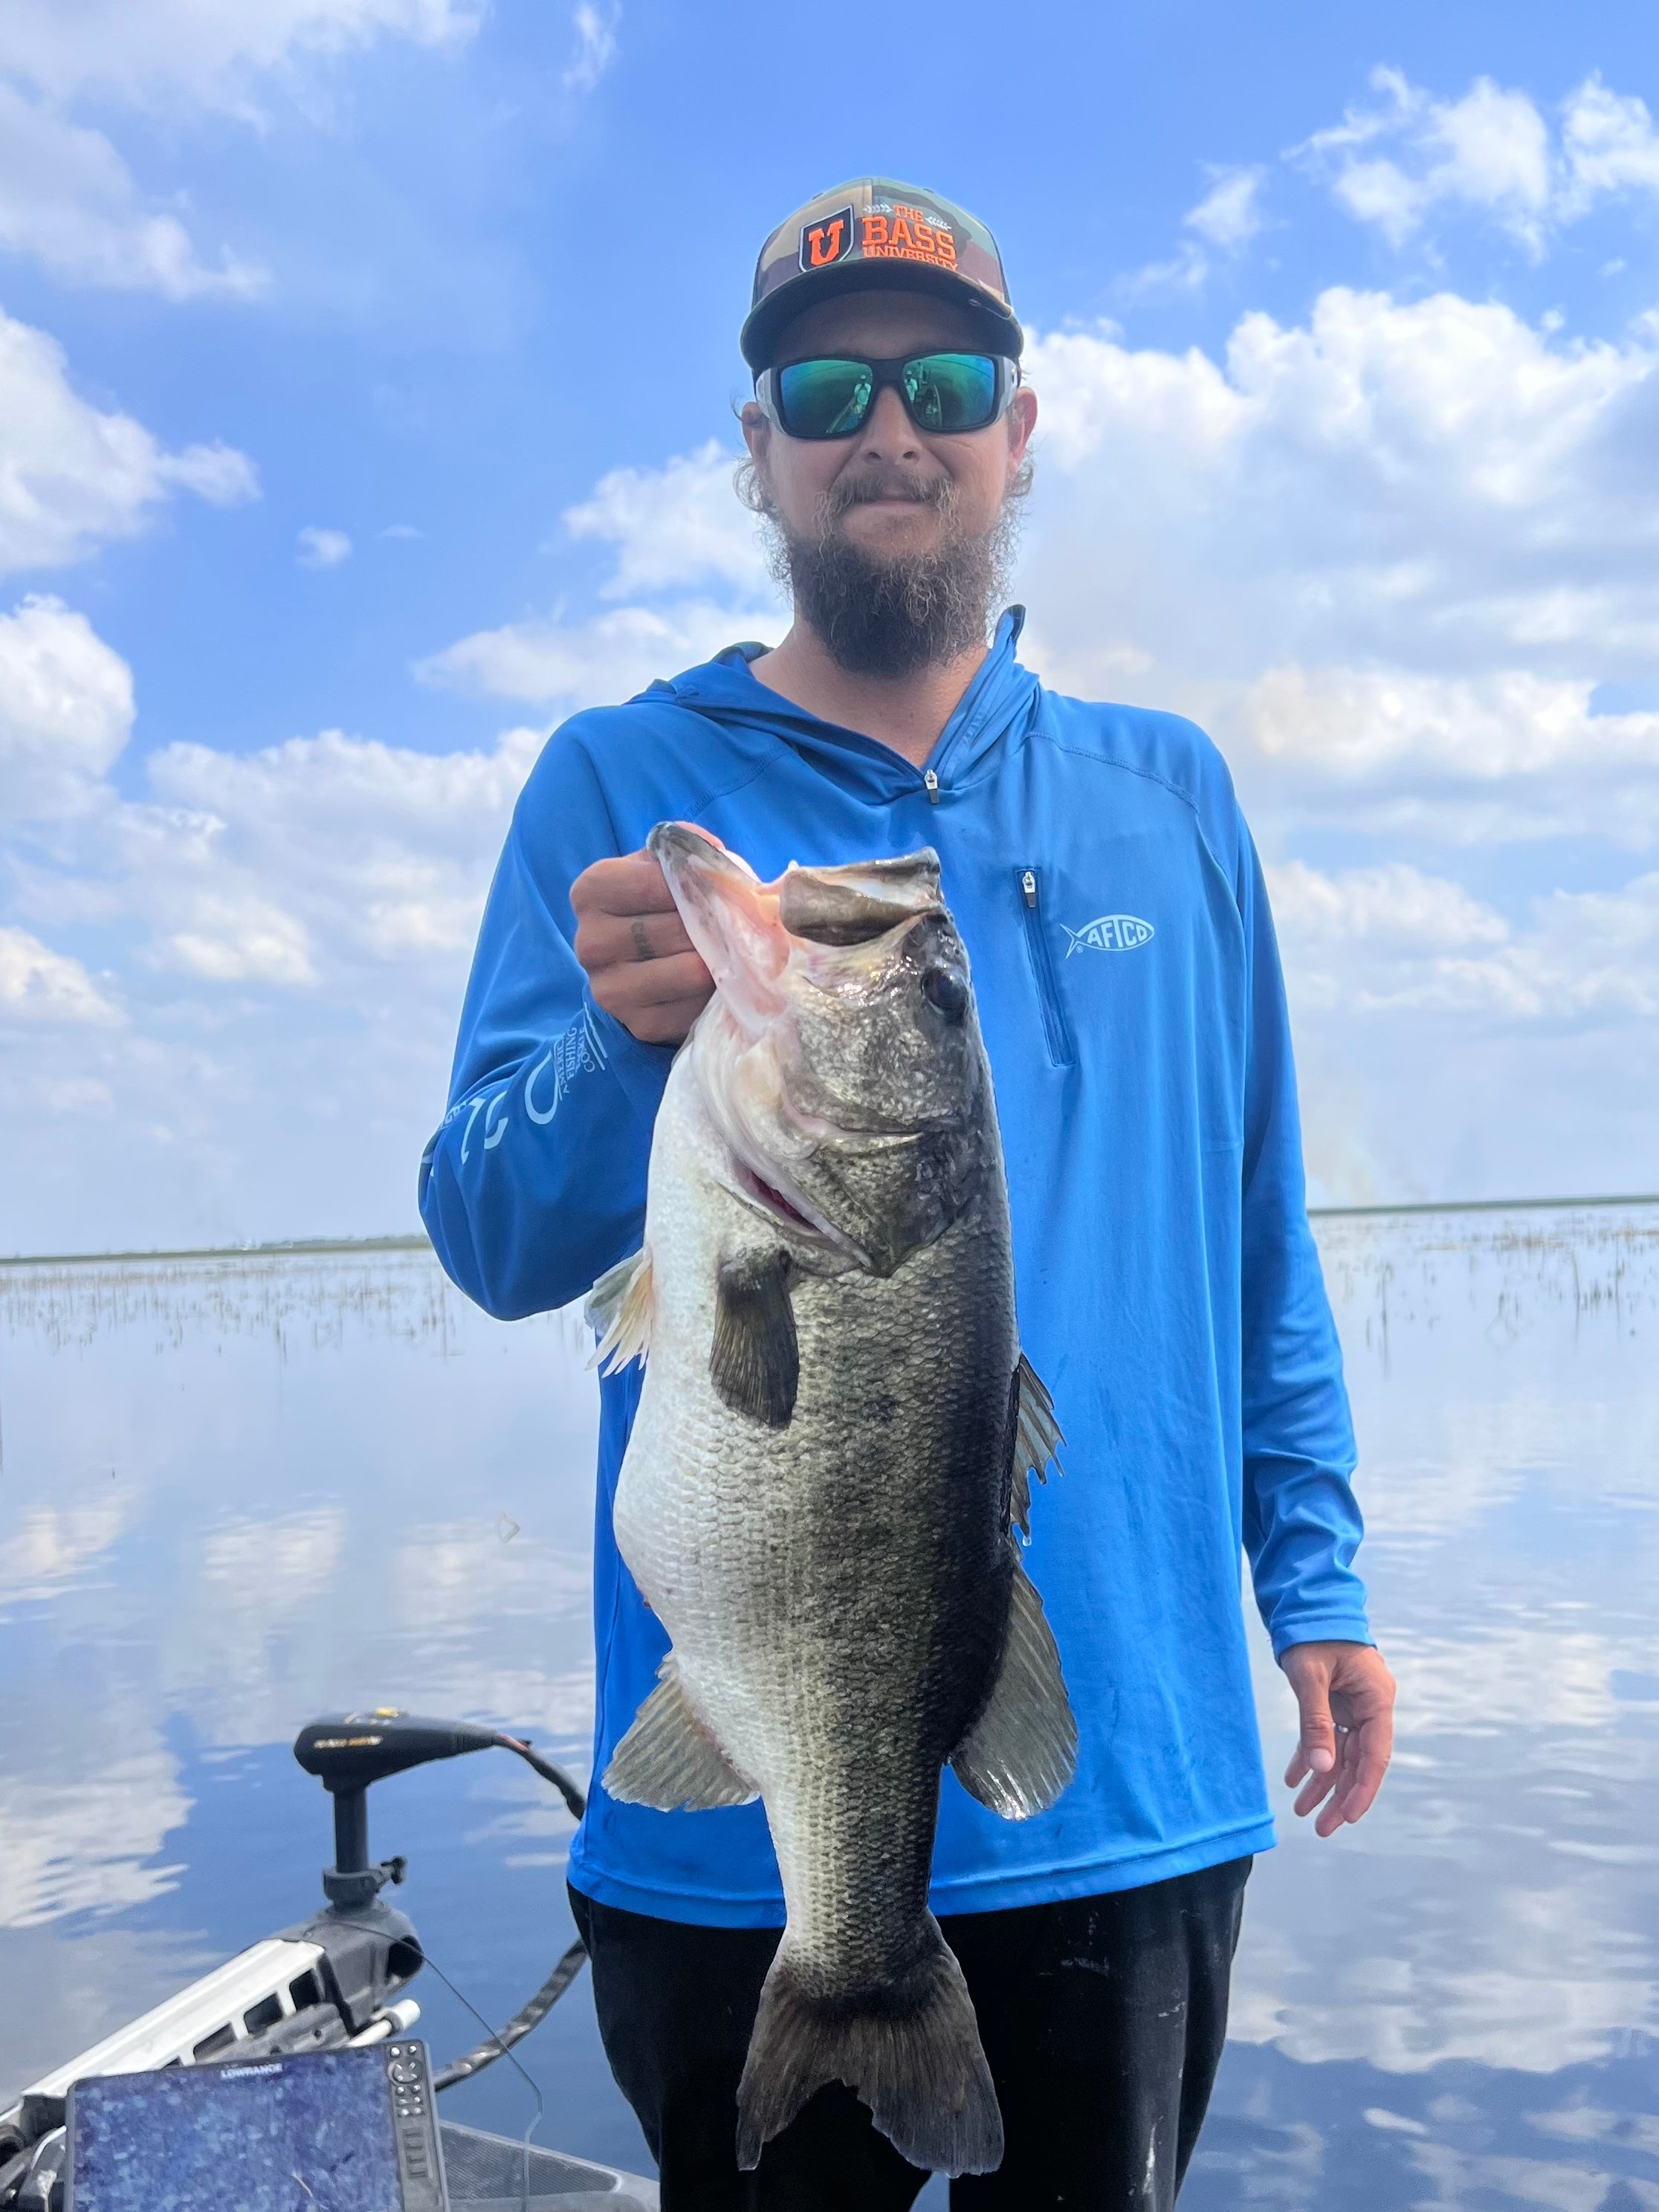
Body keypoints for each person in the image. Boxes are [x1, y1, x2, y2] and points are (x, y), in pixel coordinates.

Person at [420, 178, 1396, 2210]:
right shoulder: (618, 781)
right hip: (729, 1834)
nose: (892, 427)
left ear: (1015, 433)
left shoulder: (1173, 794)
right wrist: (620, 1053)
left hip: (1127, 1768)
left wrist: (1318, 1585)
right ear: (758, 446)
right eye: (829, 384)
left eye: (943, 382)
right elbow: (495, 1233)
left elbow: (1253, 1240)